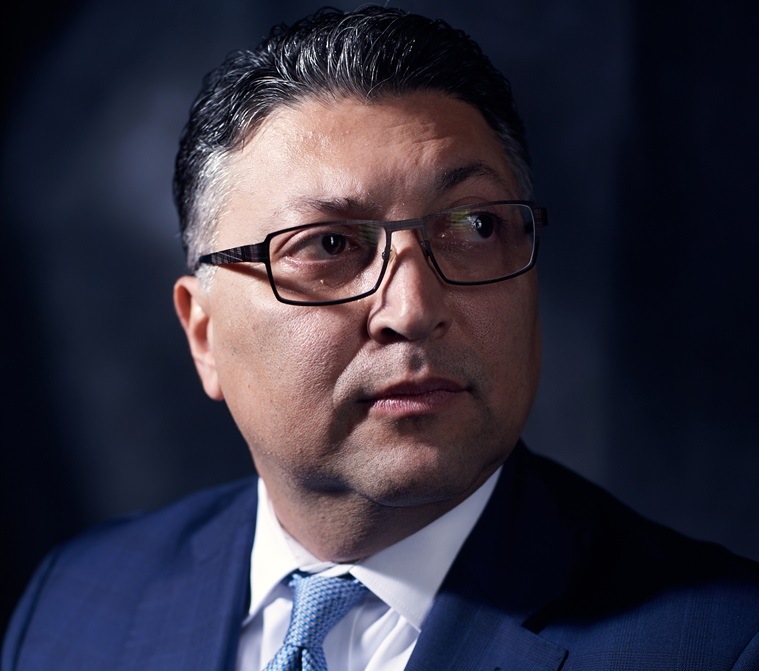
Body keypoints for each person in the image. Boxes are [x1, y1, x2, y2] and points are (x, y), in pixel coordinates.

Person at [3, 6, 758, 670]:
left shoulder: (717, 646)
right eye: (329, 245)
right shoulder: (76, 603)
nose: (413, 307)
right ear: (203, 334)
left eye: (474, 226)